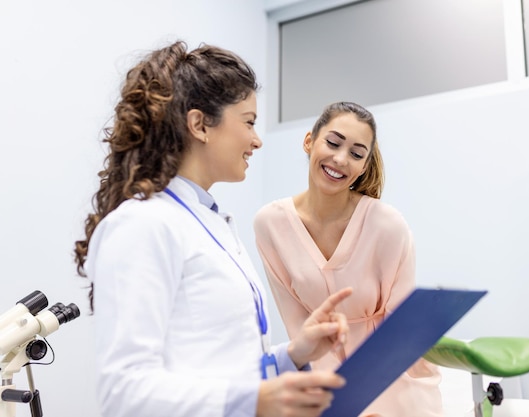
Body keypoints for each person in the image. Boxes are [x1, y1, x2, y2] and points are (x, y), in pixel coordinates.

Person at [73, 41, 353, 417]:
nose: (256, 140)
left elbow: (218, 367)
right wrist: (252, 402)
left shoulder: (210, 223)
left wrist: (293, 354)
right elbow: (123, 392)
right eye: (249, 121)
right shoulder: (142, 225)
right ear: (200, 125)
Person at [253, 101, 444, 417]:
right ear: (309, 141)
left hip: (396, 382)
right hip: (327, 386)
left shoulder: (388, 225)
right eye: (332, 142)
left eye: (356, 154)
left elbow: (401, 330)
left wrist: (367, 400)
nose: (340, 160)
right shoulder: (269, 224)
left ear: (365, 165)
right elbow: (298, 327)